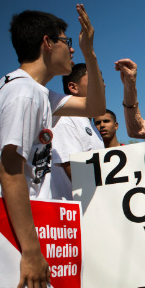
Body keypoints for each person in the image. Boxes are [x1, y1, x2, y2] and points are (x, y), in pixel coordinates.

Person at [0, 5, 105, 288]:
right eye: (68, 42)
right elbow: (11, 172)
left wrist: (90, 53)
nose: (72, 50)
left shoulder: (34, 90)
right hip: (7, 231)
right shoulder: (25, 94)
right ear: (47, 43)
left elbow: (94, 106)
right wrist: (31, 250)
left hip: (16, 228)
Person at [50, 63, 105, 200]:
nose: (102, 85)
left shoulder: (89, 124)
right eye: (94, 78)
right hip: (70, 211)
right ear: (73, 87)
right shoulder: (65, 118)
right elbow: (74, 170)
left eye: (102, 80)